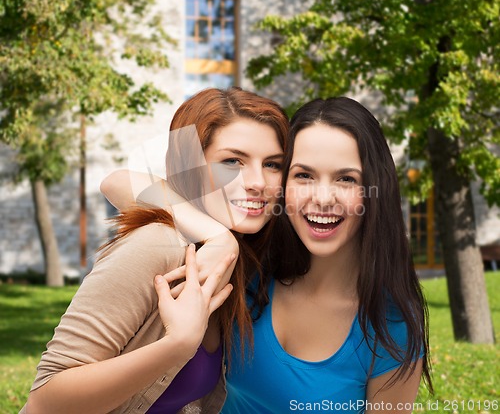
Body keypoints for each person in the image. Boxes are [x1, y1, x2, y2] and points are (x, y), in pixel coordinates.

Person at [22, 87, 289, 414]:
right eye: (232, 161)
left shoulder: (246, 265)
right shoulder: (158, 246)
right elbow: (45, 400)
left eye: (273, 164)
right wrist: (176, 346)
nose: (258, 182)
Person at [222, 97, 433, 413]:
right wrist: (216, 240)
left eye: (346, 179)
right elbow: (126, 183)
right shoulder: (248, 267)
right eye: (304, 175)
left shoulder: (391, 326)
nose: (322, 198)